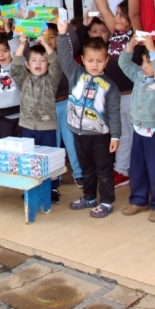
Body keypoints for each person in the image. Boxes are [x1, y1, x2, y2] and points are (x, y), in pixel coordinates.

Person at [56, 20, 122, 218]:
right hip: (78, 133)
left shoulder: (111, 87)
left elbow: (114, 113)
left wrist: (115, 136)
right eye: (90, 60)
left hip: (100, 136)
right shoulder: (75, 73)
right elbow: (64, 56)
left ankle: (107, 201)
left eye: (99, 61)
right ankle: (89, 197)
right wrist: (62, 35)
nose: (94, 65)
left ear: (106, 60)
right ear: (83, 59)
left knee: (103, 170)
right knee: (87, 169)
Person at [90, 0, 141, 189]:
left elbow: (135, 13)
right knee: (120, 134)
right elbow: (104, 9)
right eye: (117, 14)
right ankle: (121, 169)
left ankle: (133, 171)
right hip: (116, 95)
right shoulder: (115, 33)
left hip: (132, 94)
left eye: (121, 15)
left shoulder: (136, 34)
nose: (117, 18)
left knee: (133, 134)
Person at [118, 35, 155, 222]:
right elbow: (123, 63)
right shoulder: (140, 75)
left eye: (149, 62)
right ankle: (138, 200)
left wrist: (152, 49)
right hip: (138, 130)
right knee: (137, 168)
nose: (144, 65)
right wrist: (131, 45)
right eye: (143, 61)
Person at [11, 33, 64, 202]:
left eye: (42, 60)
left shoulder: (52, 79)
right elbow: (14, 68)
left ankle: (52, 188)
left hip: (47, 127)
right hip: (27, 127)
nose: (38, 63)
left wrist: (44, 43)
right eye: (34, 60)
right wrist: (22, 44)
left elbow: (56, 64)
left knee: (49, 160)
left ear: (47, 64)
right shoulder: (23, 79)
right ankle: (31, 186)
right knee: (30, 160)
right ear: (27, 64)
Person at [43, 24, 83, 187]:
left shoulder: (65, 55)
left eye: (52, 36)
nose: (48, 40)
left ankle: (78, 173)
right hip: (48, 108)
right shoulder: (38, 57)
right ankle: (55, 176)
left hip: (66, 104)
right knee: (53, 144)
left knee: (71, 142)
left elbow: (72, 40)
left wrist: (62, 26)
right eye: (45, 37)